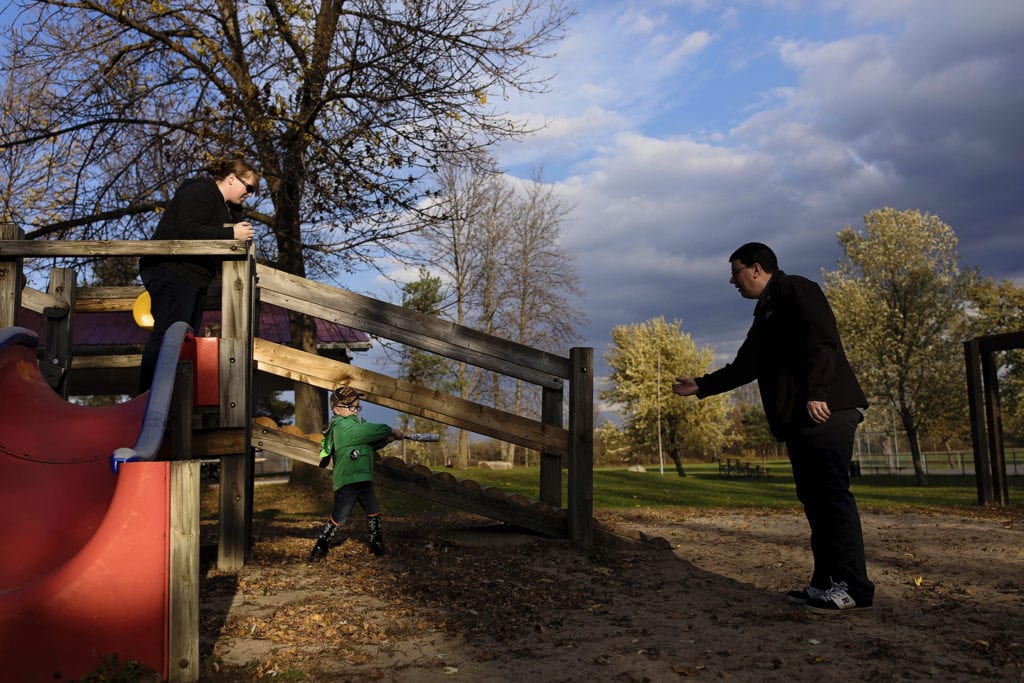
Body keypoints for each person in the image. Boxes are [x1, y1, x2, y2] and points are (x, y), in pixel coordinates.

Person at [672, 242, 874, 613]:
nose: (731, 281)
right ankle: (827, 582)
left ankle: (854, 589)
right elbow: (746, 365)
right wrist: (701, 384)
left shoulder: (797, 289)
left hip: (828, 408)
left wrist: (816, 392)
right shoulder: (766, 311)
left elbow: (822, 339)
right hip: (802, 416)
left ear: (756, 269)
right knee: (814, 500)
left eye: (734, 272)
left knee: (831, 496)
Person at [137, 158, 259, 392]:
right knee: (169, 332)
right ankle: (149, 394)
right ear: (232, 178)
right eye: (249, 187)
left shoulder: (226, 208)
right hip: (172, 269)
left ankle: (168, 396)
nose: (249, 194)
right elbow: (184, 229)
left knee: (184, 337)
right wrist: (231, 232)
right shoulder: (201, 191)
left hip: (193, 277)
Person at [310, 386, 404, 561]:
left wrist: (386, 440)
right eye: (351, 407)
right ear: (337, 409)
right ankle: (321, 545)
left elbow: (367, 445)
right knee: (340, 516)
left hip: (363, 478)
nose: (355, 411)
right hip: (347, 481)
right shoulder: (341, 426)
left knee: (373, 510)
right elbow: (367, 432)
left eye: (357, 407)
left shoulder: (357, 425)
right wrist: (390, 430)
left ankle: (377, 544)